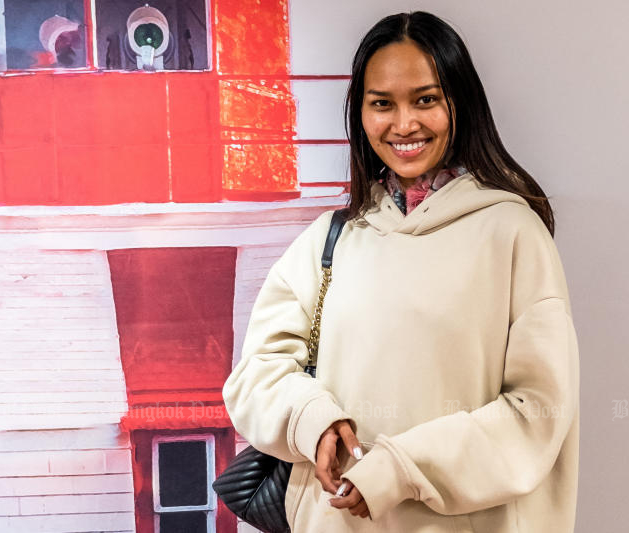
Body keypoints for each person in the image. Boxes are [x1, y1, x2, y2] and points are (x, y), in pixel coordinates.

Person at [222, 10, 579, 533]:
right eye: (382, 104)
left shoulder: (512, 233)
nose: (403, 124)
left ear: (460, 103)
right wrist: (311, 420)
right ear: (360, 114)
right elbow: (256, 375)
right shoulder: (332, 237)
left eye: (426, 99)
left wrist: (401, 468)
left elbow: (537, 413)